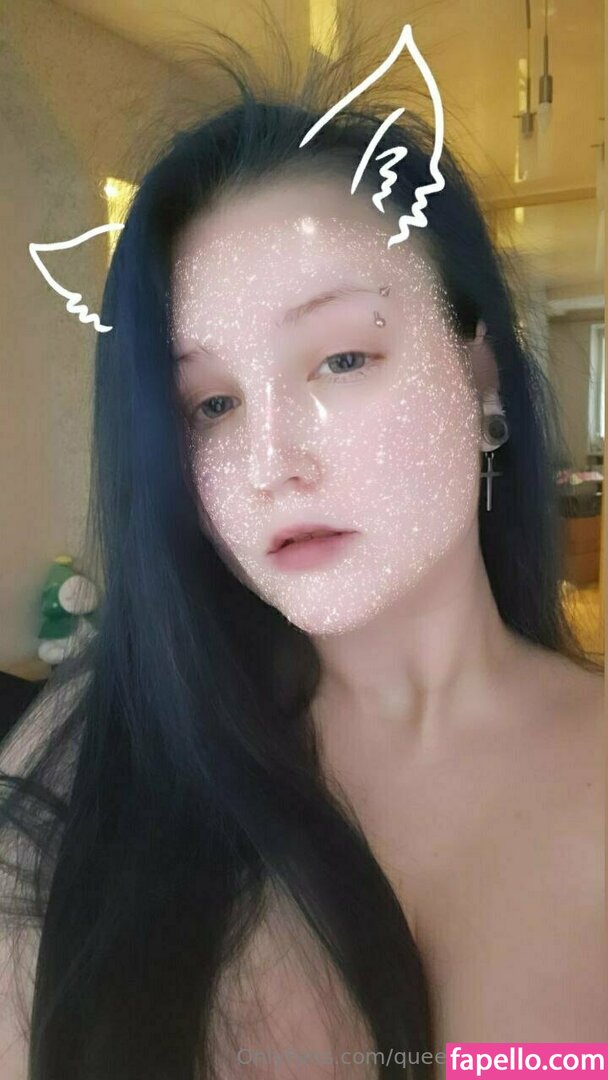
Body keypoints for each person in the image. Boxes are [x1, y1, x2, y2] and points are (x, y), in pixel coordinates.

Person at [0, 14, 604, 1080]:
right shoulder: (90, 760)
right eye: (212, 405)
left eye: (340, 359)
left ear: (478, 373)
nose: (271, 463)